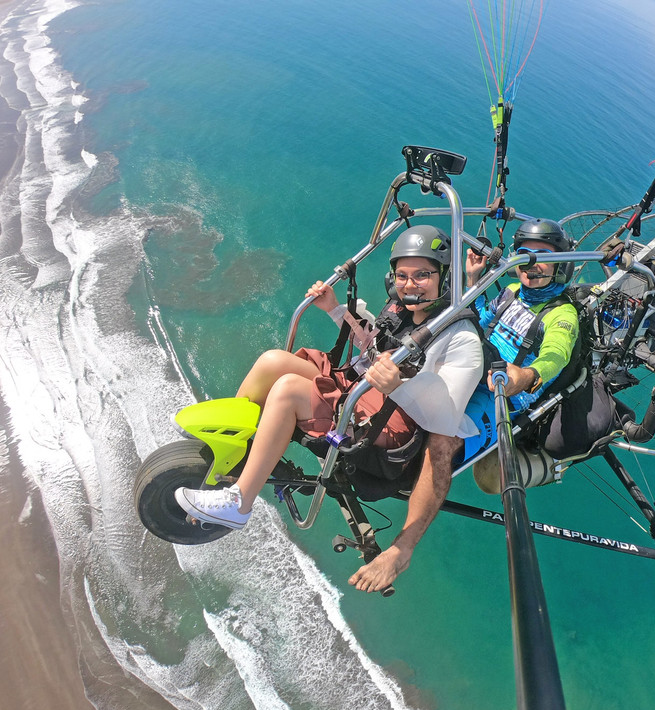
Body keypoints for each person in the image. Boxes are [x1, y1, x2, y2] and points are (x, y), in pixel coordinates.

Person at [176, 225, 484, 592]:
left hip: (392, 430)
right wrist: (335, 308)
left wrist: (401, 385)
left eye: (422, 275)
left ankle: (238, 504)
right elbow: (373, 342)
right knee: (273, 361)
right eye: (402, 275)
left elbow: (446, 419)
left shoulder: (460, 337)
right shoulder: (403, 310)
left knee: (290, 390)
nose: (410, 284)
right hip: (368, 391)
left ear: (442, 276)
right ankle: (238, 457)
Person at [465, 218, 579, 413]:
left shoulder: (563, 314)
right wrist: (472, 277)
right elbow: (478, 322)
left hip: (508, 393)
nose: (531, 263)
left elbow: (557, 355)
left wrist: (526, 376)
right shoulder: (511, 291)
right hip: (475, 369)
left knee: (445, 442)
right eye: (524, 255)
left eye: (543, 257)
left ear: (560, 265)